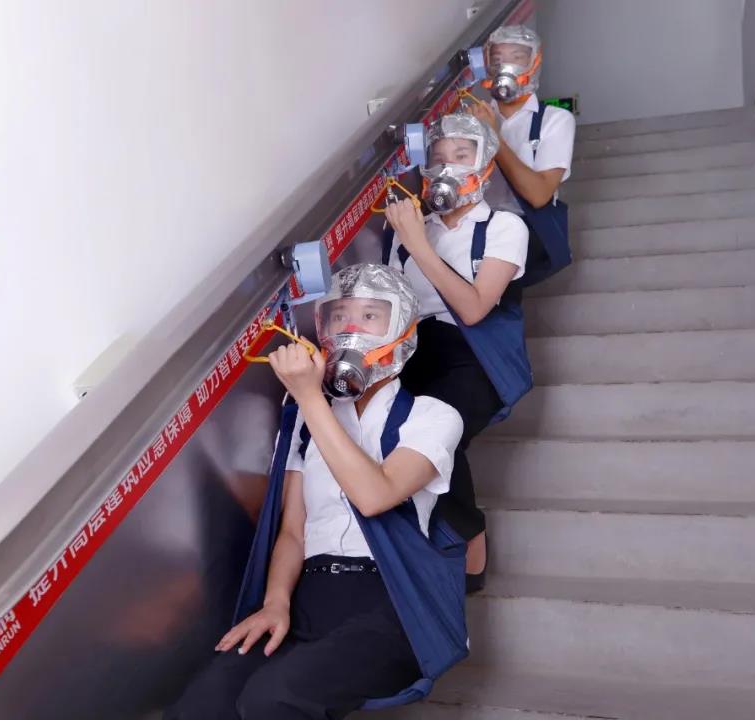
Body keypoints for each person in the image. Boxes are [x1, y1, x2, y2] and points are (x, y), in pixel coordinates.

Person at [164, 264, 464, 720]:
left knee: (272, 698)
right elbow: (293, 531)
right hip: (310, 594)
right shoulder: (307, 424)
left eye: (369, 316)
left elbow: (375, 496)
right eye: (339, 316)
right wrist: (275, 604)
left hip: (391, 602)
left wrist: (308, 396)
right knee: (203, 704)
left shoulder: (432, 416)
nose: (350, 329)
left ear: (403, 328)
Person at [383, 112, 531, 593]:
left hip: (474, 354)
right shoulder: (409, 231)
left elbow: (473, 309)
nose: (448, 167)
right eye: (439, 158)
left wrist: (418, 244)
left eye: (462, 156)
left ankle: (470, 547)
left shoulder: (503, 226)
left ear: (485, 166)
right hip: (414, 351)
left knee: (439, 428)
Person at [474, 24, 576, 218]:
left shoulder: (555, 119)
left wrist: (493, 137)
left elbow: (539, 196)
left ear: (535, 63)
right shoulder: (474, 118)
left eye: (517, 58)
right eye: (497, 60)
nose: (505, 67)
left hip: (529, 227)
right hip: (481, 227)